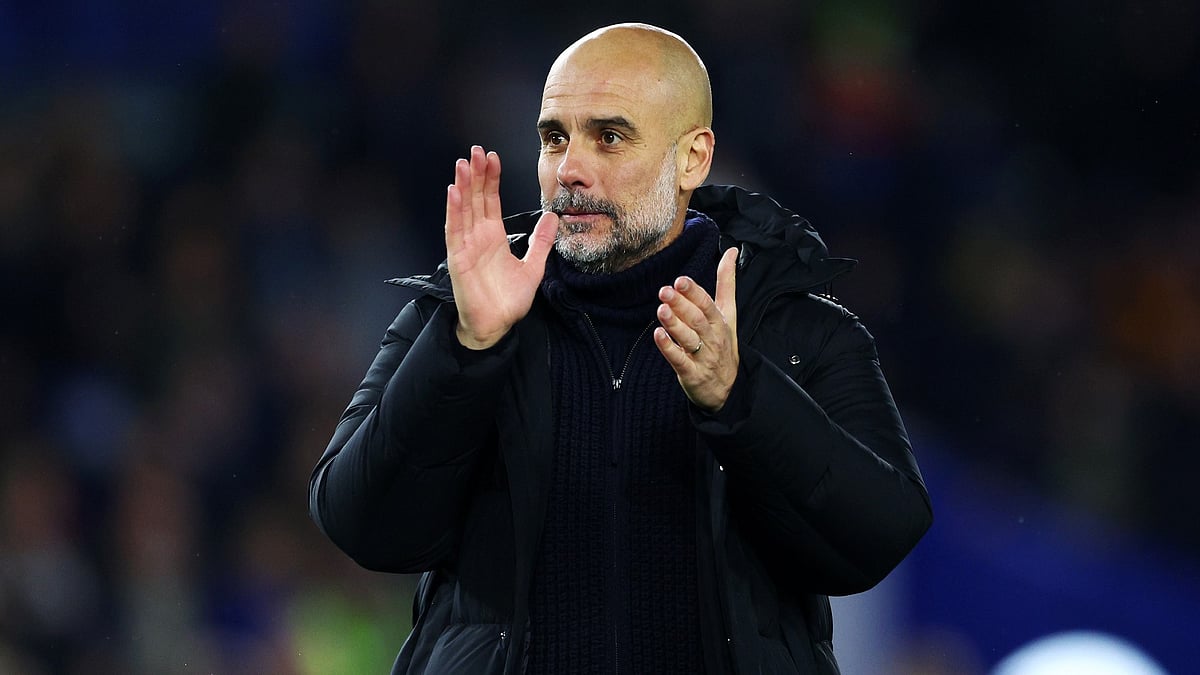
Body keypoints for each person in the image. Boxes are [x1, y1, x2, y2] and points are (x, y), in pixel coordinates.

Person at [309, 22, 932, 675]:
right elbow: (361, 526)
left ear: (692, 158)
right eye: (555, 138)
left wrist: (741, 398)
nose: (569, 170)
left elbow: (879, 536)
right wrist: (466, 350)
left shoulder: (799, 332)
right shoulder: (459, 317)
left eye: (609, 137)